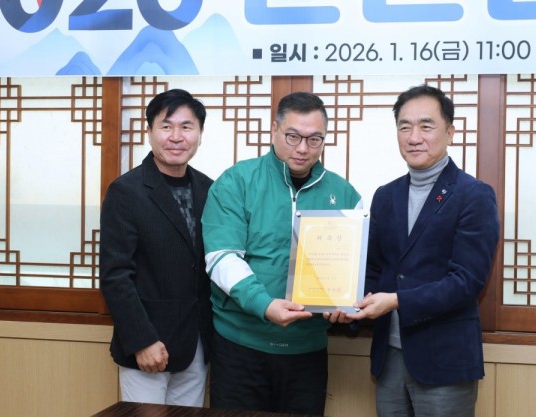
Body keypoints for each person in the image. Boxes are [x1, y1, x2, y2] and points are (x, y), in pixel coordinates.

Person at [328, 84, 500, 417]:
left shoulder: (473, 195)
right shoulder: (385, 195)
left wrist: (397, 301)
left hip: (444, 360)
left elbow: (467, 282)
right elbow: (373, 269)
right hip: (389, 356)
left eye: (426, 126)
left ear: (450, 132)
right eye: (404, 127)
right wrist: (346, 304)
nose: (414, 137)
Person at [201, 91, 362, 415]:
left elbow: (354, 267)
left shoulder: (345, 194)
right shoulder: (237, 181)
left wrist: (345, 303)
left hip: (307, 350)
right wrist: (264, 304)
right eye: (293, 136)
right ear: (274, 130)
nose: (303, 148)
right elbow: (221, 258)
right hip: (240, 345)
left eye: (314, 139)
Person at [100, 89, 213, 406]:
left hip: (197, 342)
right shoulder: (126, 191)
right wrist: (142, 340)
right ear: (149, 131)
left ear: (200, 134)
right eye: (166, 126)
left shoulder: (209, 188)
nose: (176, 137)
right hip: (148, 344)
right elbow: (115, 275)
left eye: (187, 127)